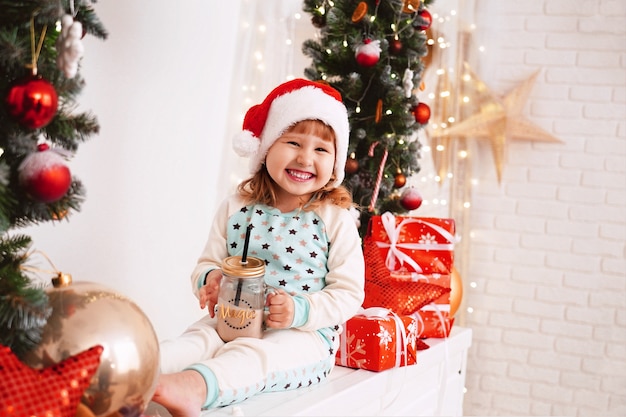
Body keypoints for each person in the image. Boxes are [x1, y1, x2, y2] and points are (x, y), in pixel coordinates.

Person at [151, 79, 365, 417]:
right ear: (266, 148)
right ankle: (133, 375)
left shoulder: (334, 219)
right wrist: (209, 280)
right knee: (195, 342)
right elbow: (208, 261)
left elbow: (349, 294)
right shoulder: (238, 206)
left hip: (300, 336)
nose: (305, 158)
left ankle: (193, 387)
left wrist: (300, 310)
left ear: (335, 162)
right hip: (232, 318)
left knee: (253, 358)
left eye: (321, 150)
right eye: (293, 142)